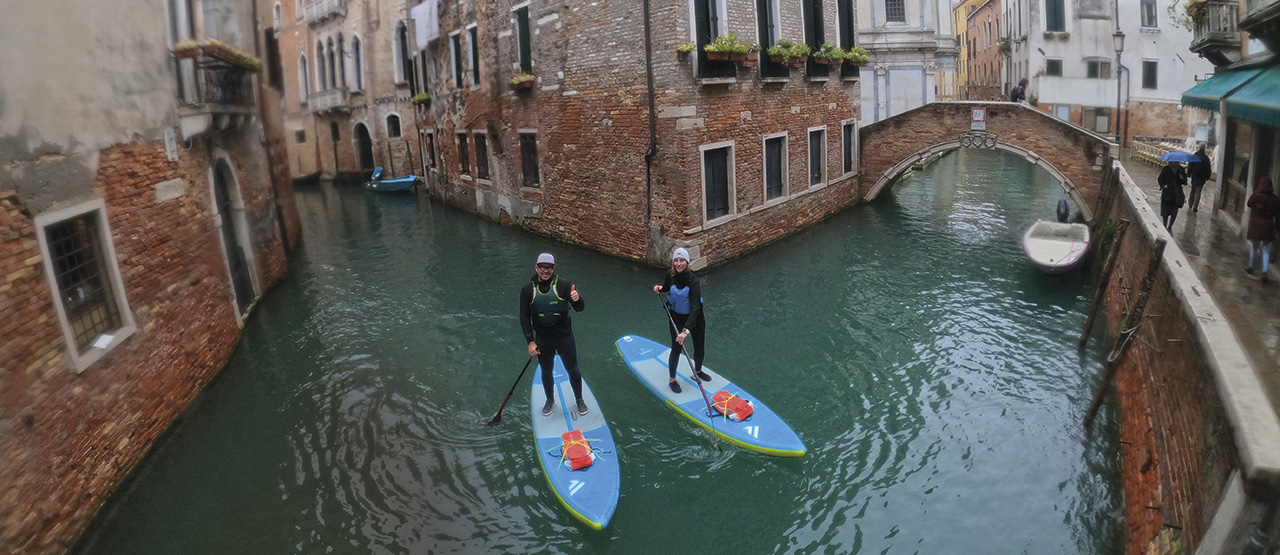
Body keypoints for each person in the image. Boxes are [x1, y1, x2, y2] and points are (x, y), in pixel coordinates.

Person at [519, 252, 588, 416]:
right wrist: (530, 341)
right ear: (536, 267)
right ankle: (550, 399)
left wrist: (577, 299)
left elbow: (580, 308)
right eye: (542, 267)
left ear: (553, 268)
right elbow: (524, 317)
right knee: (546, 370)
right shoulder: (527, 291)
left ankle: (579, 399)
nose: (545, 271)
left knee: (573, 370)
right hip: (543, 339)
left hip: (564, 336)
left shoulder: (564, 285)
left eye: (549, 268)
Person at [653, 247, 710, 393]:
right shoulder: (670, 274)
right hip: (676, 316)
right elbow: (667, 287)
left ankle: (697, 371)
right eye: (676, 260)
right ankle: (672, 380)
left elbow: (696, 307)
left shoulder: (694, 280)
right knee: (676, 348)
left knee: (699, 346)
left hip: (695, 318)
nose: (679, 264)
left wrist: (685, 331)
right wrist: (661, 287)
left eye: (682, 260)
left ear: (687, 262)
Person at [1246, 177, 1280, 284]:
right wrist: (1277, 228)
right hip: (1268, 226)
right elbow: (1277, 215)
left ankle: (1251, 267)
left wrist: (1255, 192)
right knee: (1265, 249)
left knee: (1255, 247)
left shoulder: (1257, 196)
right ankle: (1265, 271)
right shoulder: (1275, 199)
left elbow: (1249, 203)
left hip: (1257, 225)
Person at [1158, 161, 1186, 231]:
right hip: (1168, 192)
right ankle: (1165, 225)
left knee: (1173, 211)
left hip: (1175, 194)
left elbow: (1185, 181)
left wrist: (1181, 178)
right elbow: (1160, 179)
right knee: (1166, 211)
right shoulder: (1166, 169)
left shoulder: (1181, 170)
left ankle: (1170, 226)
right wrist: (1163, 185)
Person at [1188, 144, 1212, 212]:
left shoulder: (1195, 156)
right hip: (1202, 178)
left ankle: (1190, 204)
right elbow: (1208, 168)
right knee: (1198, 192)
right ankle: (1195, 207)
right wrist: (1207, 177)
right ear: (1204, 149)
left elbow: (1190, 165)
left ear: (1199, 148)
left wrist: (1188, 174)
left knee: (1193, 190)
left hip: (1194, 176)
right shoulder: (1206, 158)